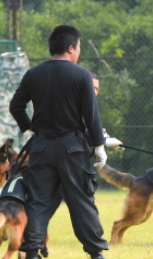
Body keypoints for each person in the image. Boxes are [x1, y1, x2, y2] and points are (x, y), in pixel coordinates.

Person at [9, 25, 108, 259]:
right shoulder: (81, 74)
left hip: (41, 148)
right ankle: (96, 254)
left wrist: (32, 127)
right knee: (81, 201)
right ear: (71, 47)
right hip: (72, 148)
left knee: (38, 201)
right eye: (79, 47)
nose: (79, 52)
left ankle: (31, 252)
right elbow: (91, 115)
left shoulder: (33, 74)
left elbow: (16, 106)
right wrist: (99, 145)